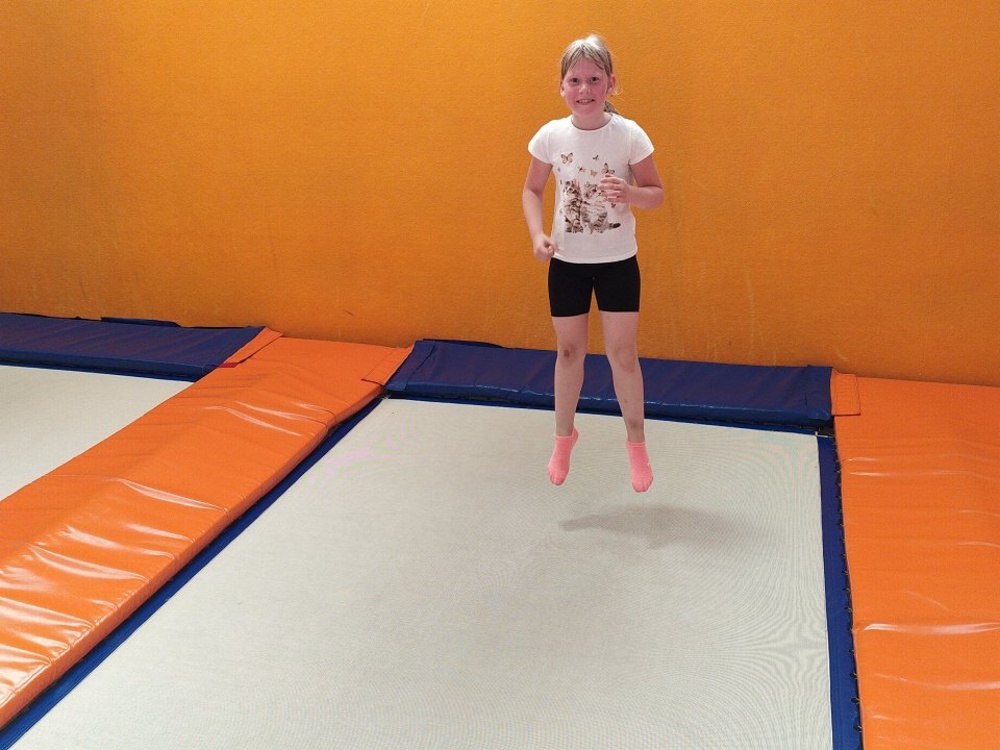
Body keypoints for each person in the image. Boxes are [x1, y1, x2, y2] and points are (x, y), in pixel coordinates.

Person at [522, 34, 663, 493]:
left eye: (594, 80)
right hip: (567, 263)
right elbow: (532, 190)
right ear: (562, 86)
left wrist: (631, 193)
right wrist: (538, 234)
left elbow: (656, 194)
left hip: (617, 262)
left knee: (623, 355)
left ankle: (637, 445)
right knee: (568, 353)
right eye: (575, 80)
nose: (584, 89)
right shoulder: (550, 136)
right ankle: (564, 439)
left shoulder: (629, 134)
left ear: (611, 84)